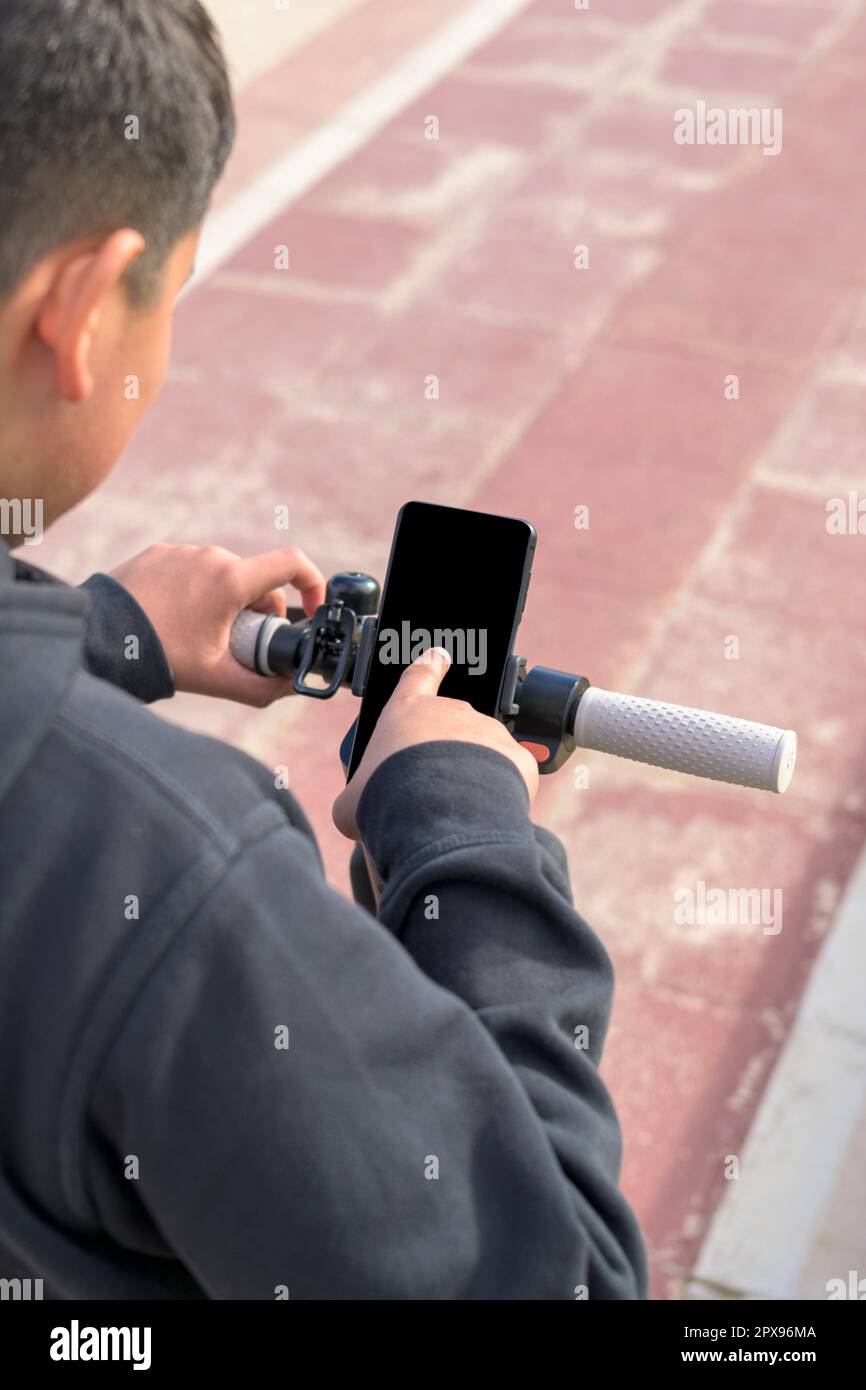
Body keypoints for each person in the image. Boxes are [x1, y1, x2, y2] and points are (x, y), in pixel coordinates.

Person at [0, 0, 646, 1299]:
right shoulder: (175, 875)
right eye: (167, 295)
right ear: (79, 305)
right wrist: (465, 839)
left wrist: (99, 634)